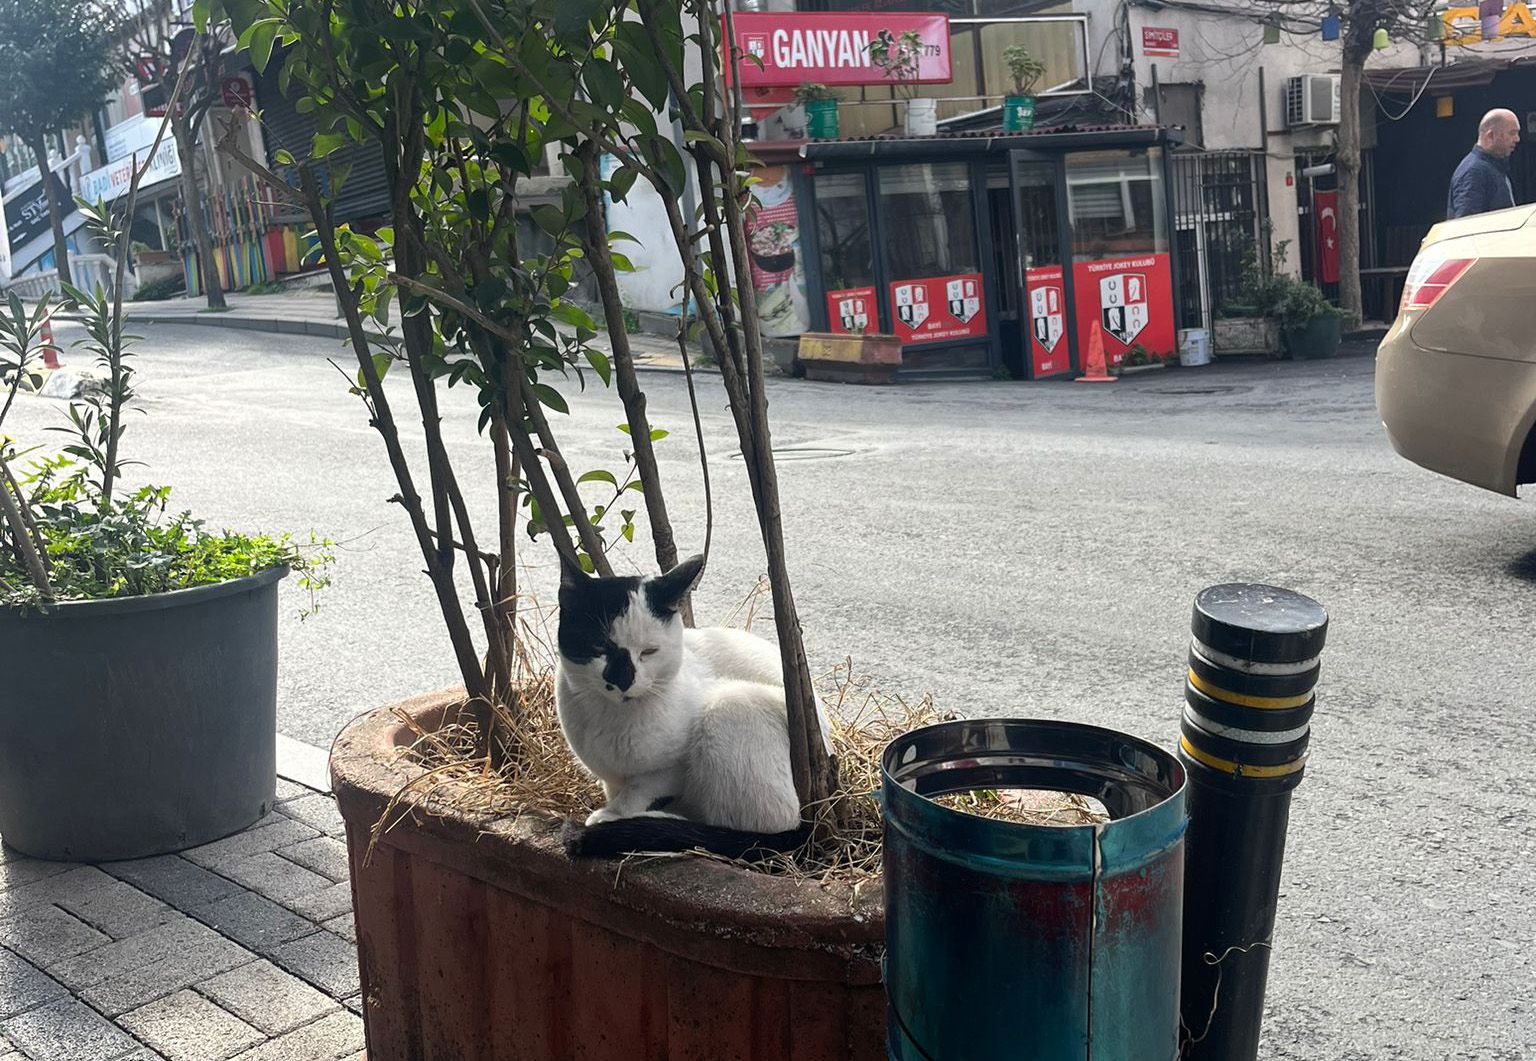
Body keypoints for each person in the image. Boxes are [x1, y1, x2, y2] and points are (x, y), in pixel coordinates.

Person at [1447, 109, 1521, 219]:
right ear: (1490, 136)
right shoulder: (1474, 172)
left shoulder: (1492, 167)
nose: (1517, 139)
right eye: (1512, 133)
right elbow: (1466, 225)